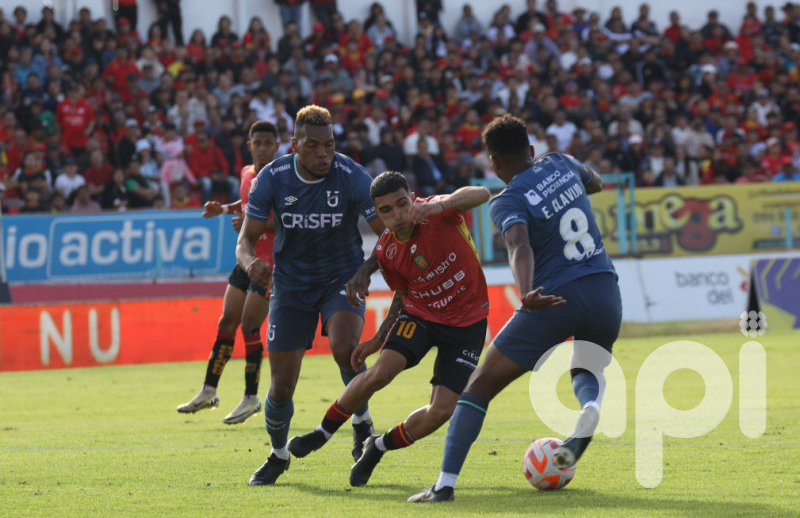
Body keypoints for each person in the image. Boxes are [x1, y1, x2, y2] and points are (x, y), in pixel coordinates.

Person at [408, 114, 621, 502]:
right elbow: (597, 183)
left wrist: (525, 292)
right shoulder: (561, 161)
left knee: (478, 387)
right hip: (606, 289)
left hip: (555, 297)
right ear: (532, 149)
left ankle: (444, 485)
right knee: (586, 367)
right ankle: (590, 405)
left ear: (494, 164)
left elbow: (518, 244)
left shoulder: (508, 199)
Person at [286, 172, 491, 487]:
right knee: (381, 372)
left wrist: (441, 205)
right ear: (376, 214)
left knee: (441, 411)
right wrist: (376, 341)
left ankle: (378, 446)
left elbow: (481, 193)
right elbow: (402, 296)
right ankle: (321, 433)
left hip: (467, 324)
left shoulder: (438, 210)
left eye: (402, 204)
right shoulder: (386, 251)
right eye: (385, 211)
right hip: (420, 316)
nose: (397, 216)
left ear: (412, 197)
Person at [237, 105, 385, 486]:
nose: (324, 154)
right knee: (282, 385)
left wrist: (365, 271)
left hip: (342, 278)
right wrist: (251, 262)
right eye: (314, 145)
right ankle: (278, 454)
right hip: (290, 285)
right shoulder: (272, 178)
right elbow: (245, 240)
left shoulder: (352, 175)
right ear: (295, 145)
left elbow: (387, 234)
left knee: (344, 347)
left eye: (330, 144)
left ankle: (360, 419)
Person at [177, 121, 278, 424]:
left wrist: (250, 222)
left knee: (249, 326)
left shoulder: (283, 178)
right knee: (226, 322)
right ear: (249, 145)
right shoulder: (247, 173)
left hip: (269, 264)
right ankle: (209, 390)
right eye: (256, 142)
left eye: (267, 143)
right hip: (246, 259)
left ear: (276, 146)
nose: (261, 148)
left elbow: (288, 218)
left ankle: (251, 397)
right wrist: (223, 209)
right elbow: (246, 204)